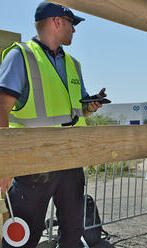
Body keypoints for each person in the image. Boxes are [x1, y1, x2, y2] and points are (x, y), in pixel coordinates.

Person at [0, 2, 105, 247]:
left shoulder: (73, 64)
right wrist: (5, 163)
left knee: (72, 231)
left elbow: (73, 112)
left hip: (70, 160)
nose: (74, 30)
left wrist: (89, 107)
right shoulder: (21, 56)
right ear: (57, 22)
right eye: (72, 24)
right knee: (24, 236)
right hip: (34, 162)